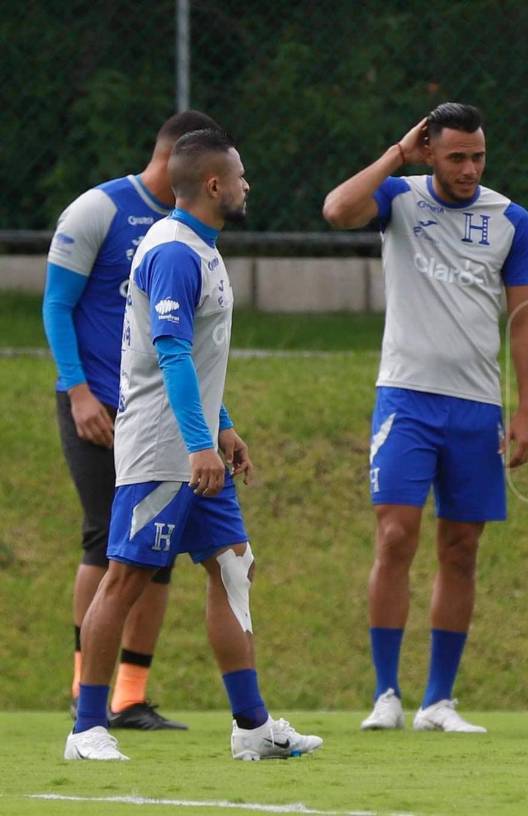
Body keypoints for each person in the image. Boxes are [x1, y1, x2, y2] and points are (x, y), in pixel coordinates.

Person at [64, 128, 322, 761]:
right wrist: (199, 442)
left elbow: (197, 359)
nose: (246, 186)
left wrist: (223, 426)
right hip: (161, 447)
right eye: (239, 176)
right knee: (124, 577)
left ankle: (253, 728)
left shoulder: (200, 249)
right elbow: (172, 354)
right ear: (213, 185)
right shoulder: (176, 251)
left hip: (196, 443)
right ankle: (87, 729)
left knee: (234, 567)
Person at [322, 102, 528, 733]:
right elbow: (336, 211)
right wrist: (395, 155)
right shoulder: (399, 198)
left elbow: (525, 320)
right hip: (406, 399)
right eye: (455, 157)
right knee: (395, 537)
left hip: (477, 407)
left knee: (462, 548)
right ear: (429, 151)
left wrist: (527, 410)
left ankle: (438, 701)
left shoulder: (509, 220)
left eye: (477, 157)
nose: (469, 169)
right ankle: (385, 693)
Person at [43, 110, 222, 730]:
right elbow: (56, 304)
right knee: (106, 540)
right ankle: (83, 692)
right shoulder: (99, 210)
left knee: (158, 554)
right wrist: (78, 393)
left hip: (159, 412)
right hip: (97, 408)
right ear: (181, 161)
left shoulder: (188, 233)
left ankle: (129, 696)